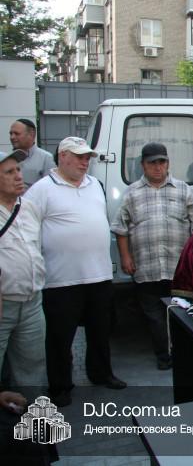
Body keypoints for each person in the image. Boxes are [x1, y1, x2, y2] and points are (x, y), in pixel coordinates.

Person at [25, 137, 127, 407]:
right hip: (61, 280)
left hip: (99, 275)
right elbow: (28, 231)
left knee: (101, 330)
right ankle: (60, 386)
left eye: (87, 157)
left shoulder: (95, 185)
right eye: (80, 157)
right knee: (60, 337)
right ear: (63, 156)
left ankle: (101, 373)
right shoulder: (42, 189)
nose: (85, 162)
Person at [111, 143, 193, 370]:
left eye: (162, 162)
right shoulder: (132, 193)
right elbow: (120, 228)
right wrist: (125, 257)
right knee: (154, 315)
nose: (158, 167)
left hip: (177, 267)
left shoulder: (183, 190)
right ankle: (163, 355)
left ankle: (182, 353)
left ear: (168, 163)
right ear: (143, 165)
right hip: (146, 267)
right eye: (152, 163)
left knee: (180, 312)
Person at [0, 149, 46, 388]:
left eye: (18, 169)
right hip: (3, 304)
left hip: (32, 303)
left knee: (33, 365)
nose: (19, 176)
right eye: (9, 172)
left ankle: (32, 407)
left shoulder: (29, 208)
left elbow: (36, 248)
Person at [9, 119, 55, 190]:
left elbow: (50, 189)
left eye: (17, 133)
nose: (12, 137)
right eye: (11, 134)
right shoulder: (8, 159)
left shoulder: (46, 158)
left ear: (31, 134)